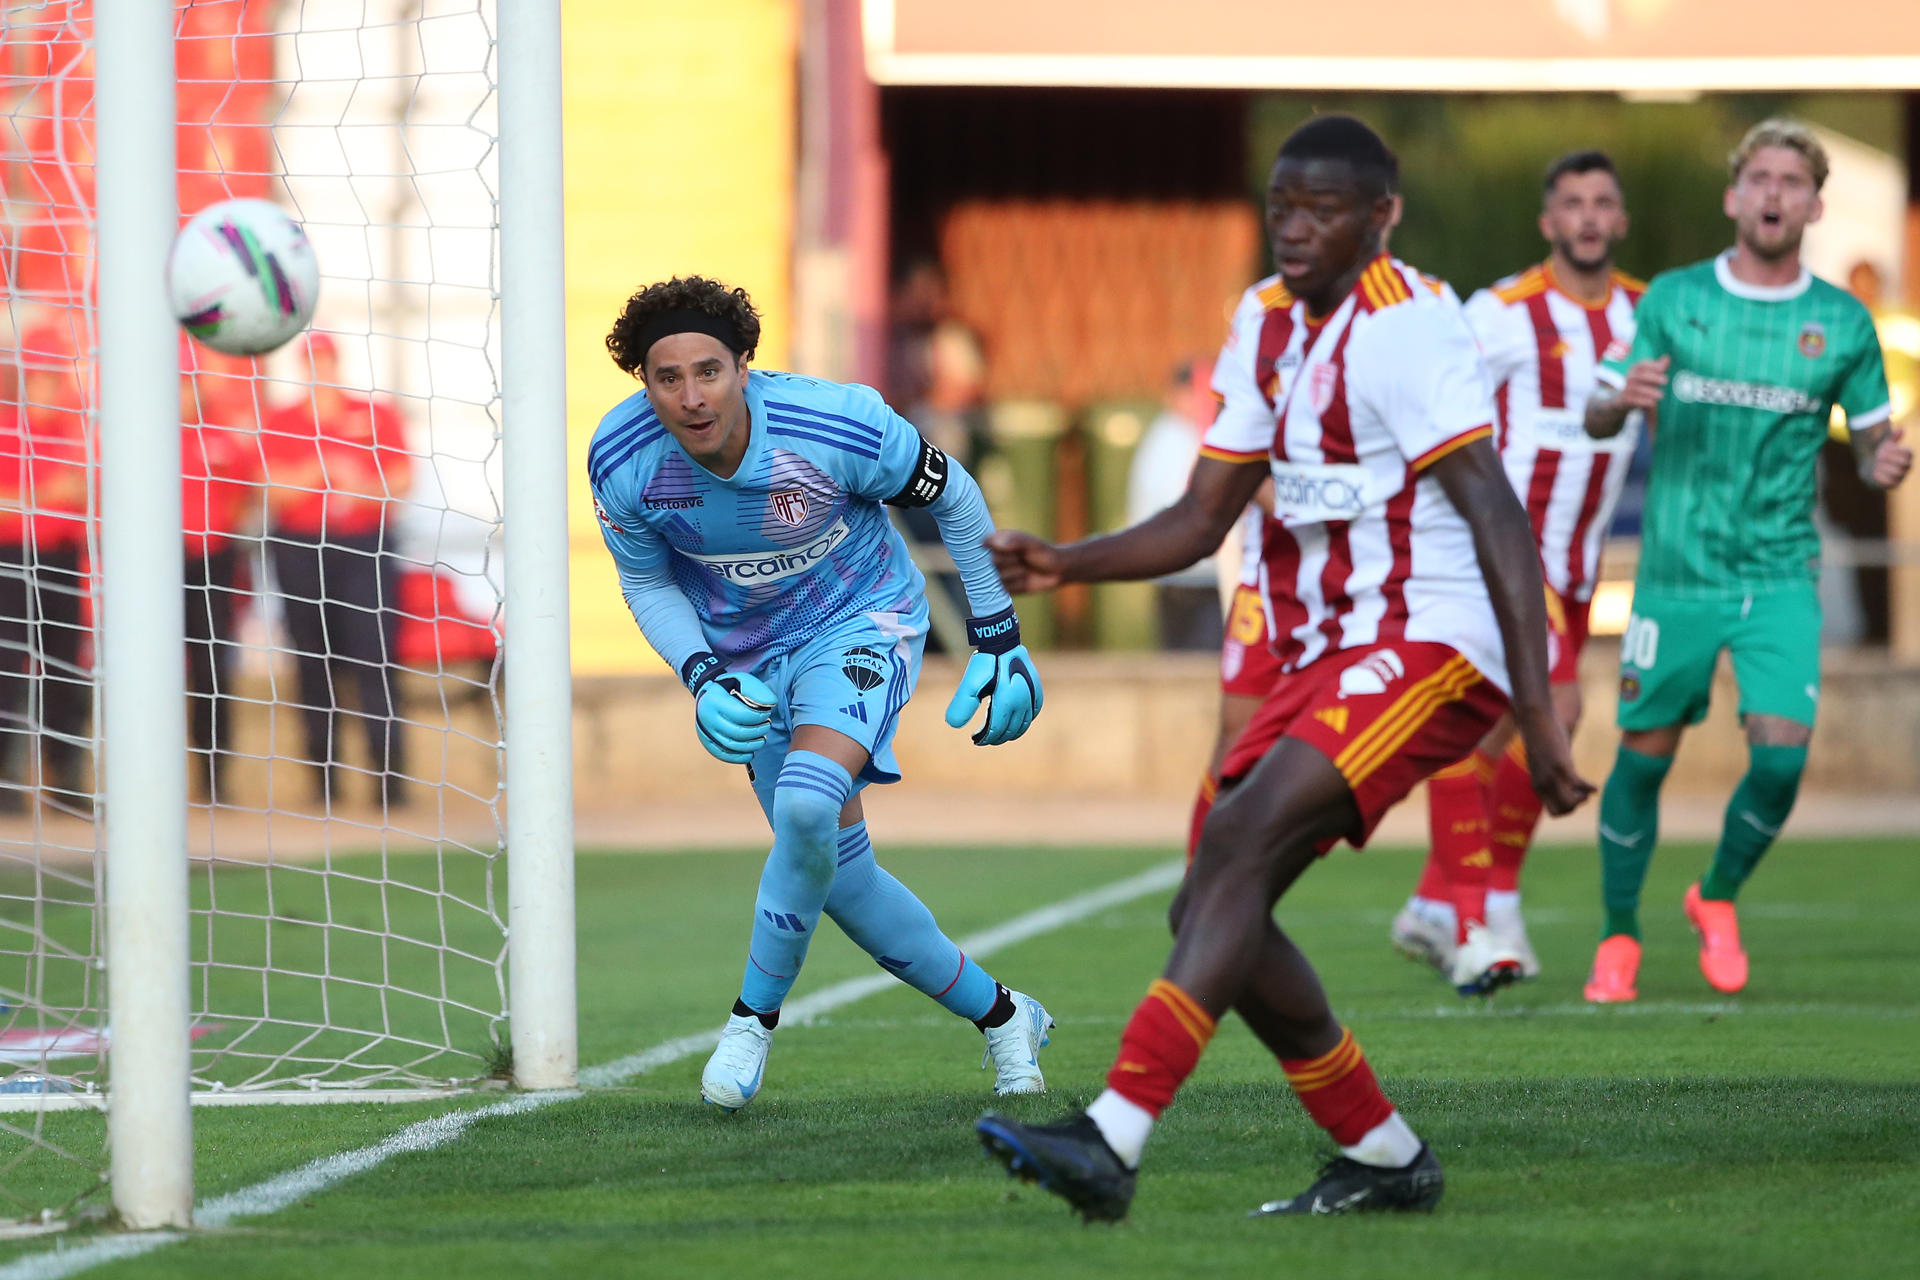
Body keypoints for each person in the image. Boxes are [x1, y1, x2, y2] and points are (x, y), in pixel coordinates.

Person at [974, 116, 1591, 1222]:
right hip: (1323, 649)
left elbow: (1497, 513)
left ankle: (1112, 1136)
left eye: (1323, 210)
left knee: (1239, 843)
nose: (1295, 229)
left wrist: (1538, 715)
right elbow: (1203, 514)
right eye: (1282, 208)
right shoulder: (1261, 319)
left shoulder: (1411, 325)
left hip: (1436, 639)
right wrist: (1068, 561)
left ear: (1381, 215)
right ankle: (1383, 1152)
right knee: (1208, 902)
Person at [586, 275, 1053, 1112]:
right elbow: (647, 582)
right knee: (838, 874)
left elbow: (955, 494)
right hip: (746, 658)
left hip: (859, 621)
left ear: (744, 366)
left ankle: (750, 1021)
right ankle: (1005, 1015)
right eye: (667, 378)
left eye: (709, 371)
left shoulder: (835, 423)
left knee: (807, 804)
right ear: (643, 383)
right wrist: (701, 675)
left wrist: (997, 632)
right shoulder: (623, 460)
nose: (692, 398)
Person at [1581, 120, 1911, 1003]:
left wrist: (1883, 461)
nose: (1774, 193)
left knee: (1780, 761)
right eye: (1760, 178)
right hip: (1677, 573)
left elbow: (1872, 440)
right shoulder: (1674, 298)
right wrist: (1619, 400)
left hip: (1779, 573)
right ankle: (1618, 935)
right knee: (1644, 758)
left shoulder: (1840, 322)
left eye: (1792, 182)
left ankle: (1716, 894)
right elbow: (1596, 412)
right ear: (1733, 197)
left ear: (1814, 207)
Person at [1389, 150, 1644, 991]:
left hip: (1576, 568)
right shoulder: (1499, 312)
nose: (1588, 216)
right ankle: (1483, 906)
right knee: (1555, 710)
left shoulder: (1646, 314)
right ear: (1548, 221)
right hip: (1506, 553)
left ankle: (1441, 902)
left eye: (1602, 201)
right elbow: (1435, 399)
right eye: (1572, 202)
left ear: (1620, 219)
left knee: (1501, 729)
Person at [262, 332, 413, 808]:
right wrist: (319, 471)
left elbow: (400, 479)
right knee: (312, 663)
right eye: (313, 362)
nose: (320, 370)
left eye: (326, 361)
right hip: (301, 549)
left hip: (363, 548)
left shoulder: (374, 414)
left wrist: (357, 484)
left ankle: (389, 781)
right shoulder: (283, 420)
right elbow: (273, 490)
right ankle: (324, 782)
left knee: (375, 659)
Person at [0, 322, 93, 815]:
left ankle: (67, 777)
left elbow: (88, 496)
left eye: (56, 377)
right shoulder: (6, 429)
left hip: (60, 558)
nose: (51, 387)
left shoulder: (73, 432)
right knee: (8, 666)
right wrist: (43, 496)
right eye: (43, 376)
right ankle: (5, 778)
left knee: (64, 667)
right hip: (11, 559)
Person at [181, 340, 265, 803]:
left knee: (213, 670)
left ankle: (214, 775)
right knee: (153, 669)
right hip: (160, 568)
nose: (184, 393)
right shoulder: (145, 436)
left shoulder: (224, 436)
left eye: (189, 383)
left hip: (213, 562)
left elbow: (249, 494)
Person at [1125, 359, 1227, 650]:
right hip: (1177, 575)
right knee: (1180, 658)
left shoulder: (1206, 432)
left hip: (1208, 578)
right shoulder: (1168, 436)